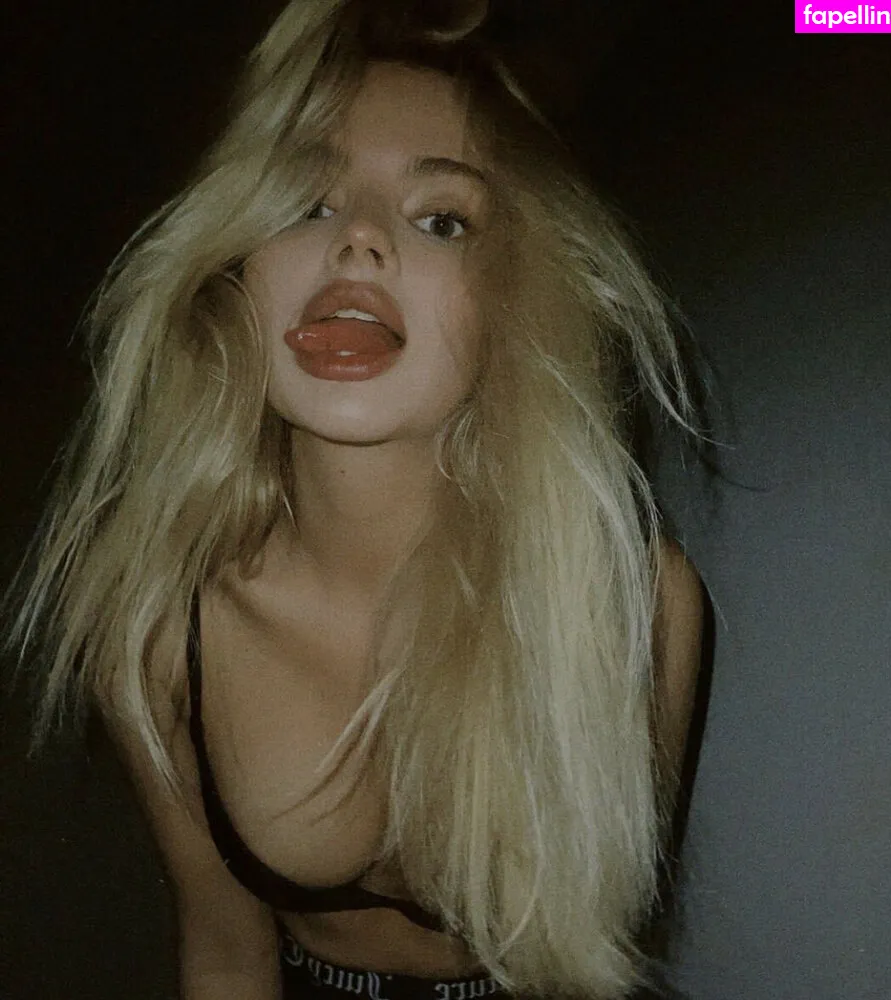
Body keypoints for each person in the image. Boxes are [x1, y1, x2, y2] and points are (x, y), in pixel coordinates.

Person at [8, 1, 703, 997]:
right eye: (305, 201)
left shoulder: (636, 603)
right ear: (234, 266)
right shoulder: (157, 625)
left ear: (514, 295)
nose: (361, 241)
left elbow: (605, 960)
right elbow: (224, 947)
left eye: (440, 219)